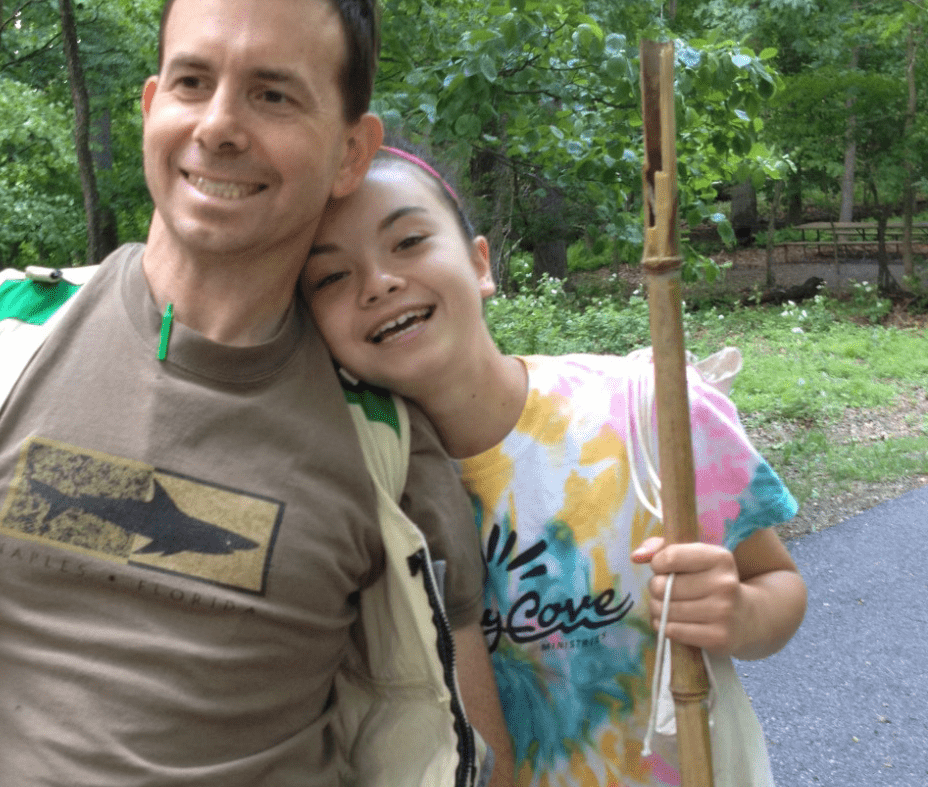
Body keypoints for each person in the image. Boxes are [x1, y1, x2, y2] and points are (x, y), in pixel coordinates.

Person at [0, 0, 513, 787]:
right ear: (149, 105)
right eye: (193, 82)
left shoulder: (384, 446)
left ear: (350, 150)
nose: (219, 126)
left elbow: (466, 755)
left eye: (273, 96)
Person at [295, 148, 808, 786]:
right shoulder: (349, 495)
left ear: (481, 263)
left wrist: (740, 614)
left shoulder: (649, 412)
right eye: (330, 278)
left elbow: (780, 585)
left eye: (408, 241)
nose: (377, 282)